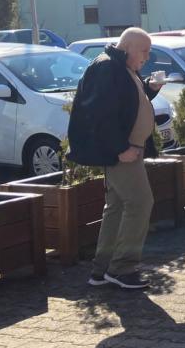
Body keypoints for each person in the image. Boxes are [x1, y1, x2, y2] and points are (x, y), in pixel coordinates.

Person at [67, 27, 164, 289]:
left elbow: (126, 103)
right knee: (140, 202)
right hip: (123, 154)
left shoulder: (120, 66)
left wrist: (149, 89)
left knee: (117, 207)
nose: (147, 56)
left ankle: (102, 270)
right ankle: (122, 268)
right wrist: (120, 149)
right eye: (144, 51)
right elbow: (101, 114)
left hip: (127, 151)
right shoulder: (108, 67)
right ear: (128, 47)